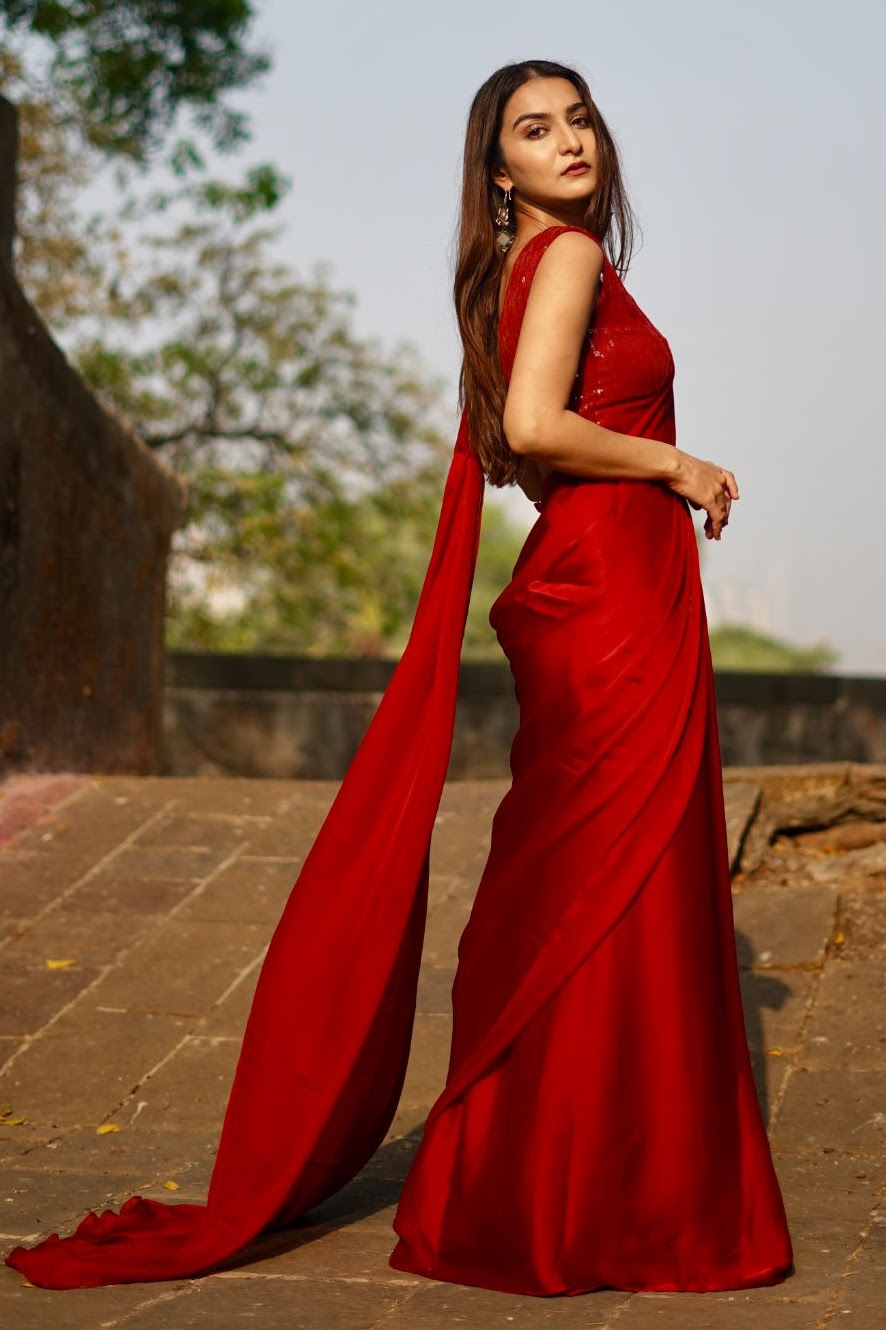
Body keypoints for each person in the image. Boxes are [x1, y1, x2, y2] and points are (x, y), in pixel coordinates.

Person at [6, 59, 794, 1296]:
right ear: (499, 169)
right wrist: (676, 465)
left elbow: (515, 449)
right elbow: (532, 431)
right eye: (535, 129)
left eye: (578, 118)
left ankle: (554, 1183)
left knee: (587, 881)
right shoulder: (569, 261)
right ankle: (606, 1194)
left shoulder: (514, 274)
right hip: (616, 601)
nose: (570, 141)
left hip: (597, 585)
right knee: (608, 882)